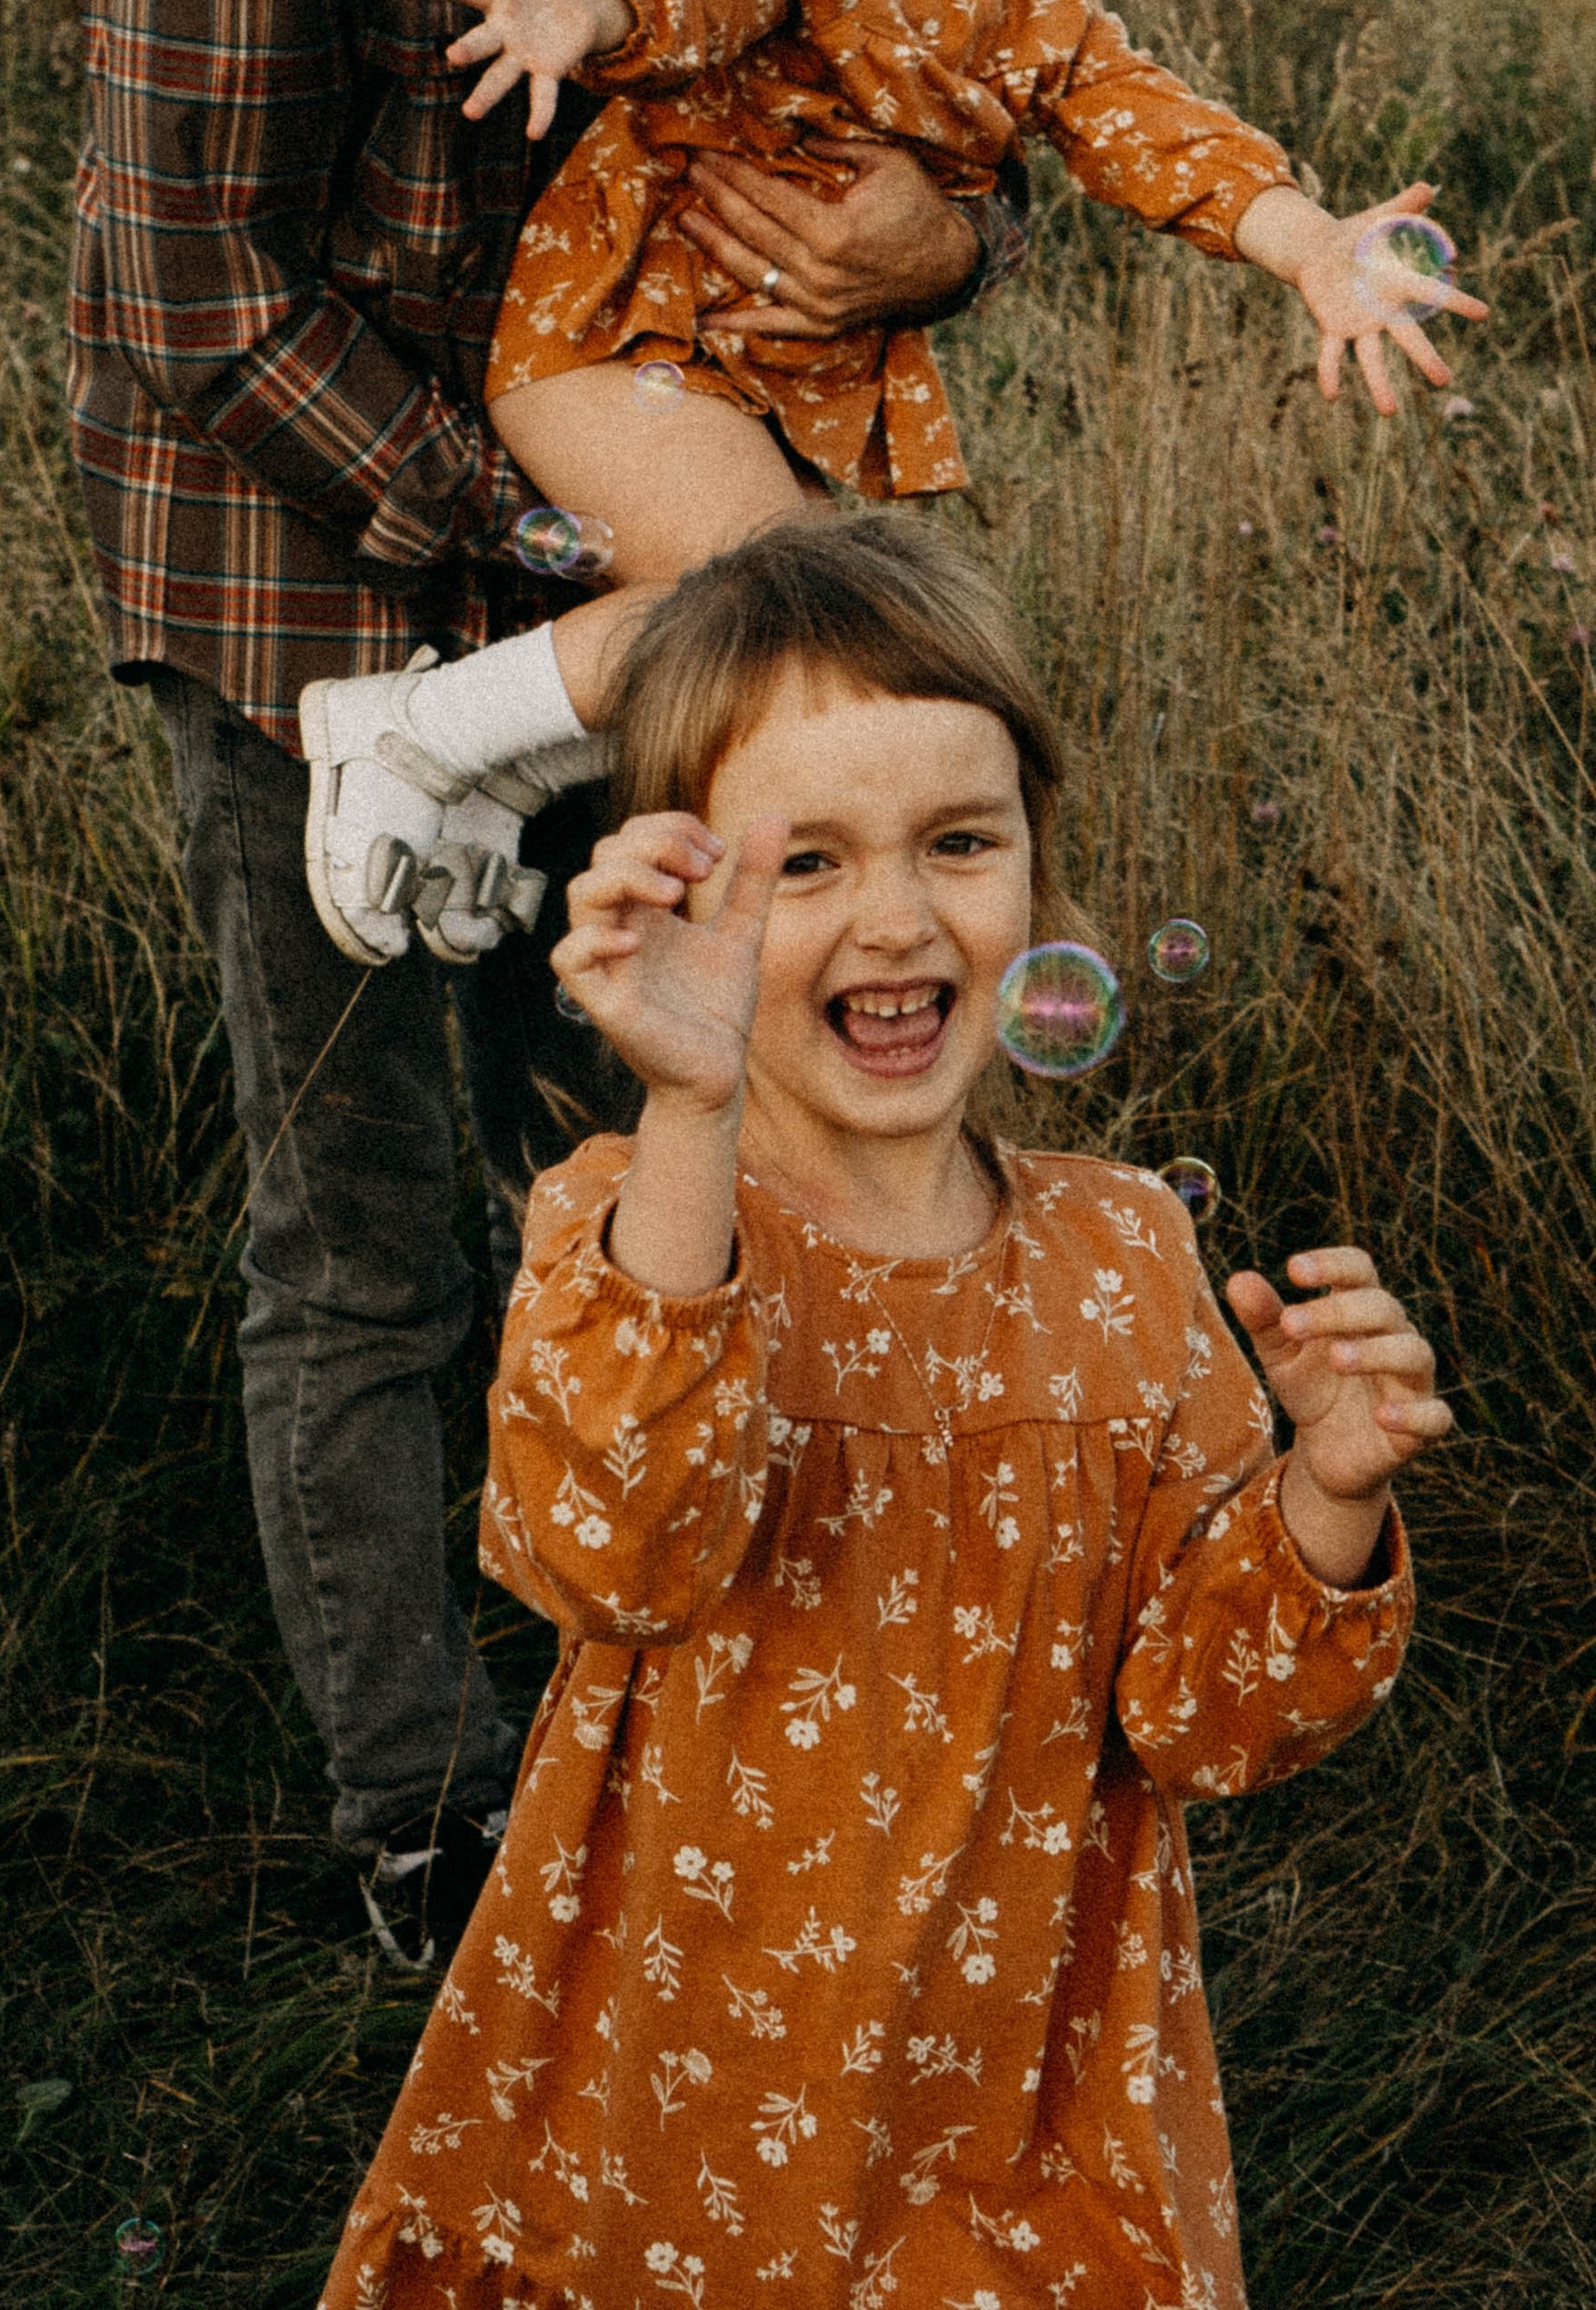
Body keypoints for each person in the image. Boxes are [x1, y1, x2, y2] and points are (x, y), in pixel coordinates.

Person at [70, 0, 1025, 1967]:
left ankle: (683, 1724)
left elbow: (884, 39)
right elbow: (184, 297)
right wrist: (554, 562)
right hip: (310, 604)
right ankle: (430, 1828)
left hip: (650, 566)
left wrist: (926, 246)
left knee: (649, 1155)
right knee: (363, 1224)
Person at [318, 511, 1446, 2308]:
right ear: (677, 900)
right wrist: (684, 1111)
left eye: (957, 844)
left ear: (1036, 869)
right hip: (686, 2068)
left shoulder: (1122, 1253)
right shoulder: (634, 1225)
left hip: (1029, 2078)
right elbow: (617, 1549)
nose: (900, 918)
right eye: (809, 865)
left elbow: (1197, 1717)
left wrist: (1324, 1494)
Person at [299, 0, 1484, 965]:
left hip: (751, 381)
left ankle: (505, 765)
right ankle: (408, 730)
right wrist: (580, 4)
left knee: (769, 628)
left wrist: (1312, 247)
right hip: (613, 338)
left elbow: (1148, 126)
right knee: (781, 609)